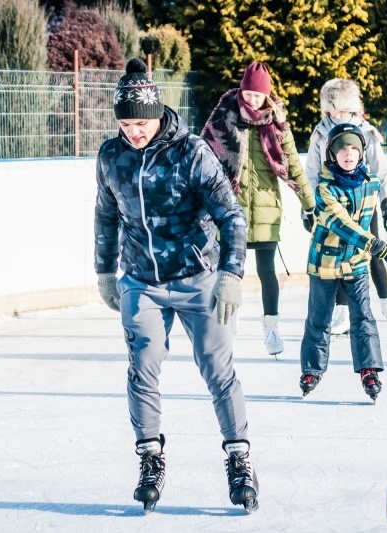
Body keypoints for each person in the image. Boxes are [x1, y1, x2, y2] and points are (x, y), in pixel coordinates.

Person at [95, 58, 259, 514]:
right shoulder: (111, 156)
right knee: (142, 365)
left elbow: (231, 216)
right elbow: (106, 216)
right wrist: (105, 271)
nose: (135, 132)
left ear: (158, 112)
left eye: (142, 122)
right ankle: (150, 457)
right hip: (141, 281)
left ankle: (239, 457)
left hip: (197, 279)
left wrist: (230, 274)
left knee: (216, 367)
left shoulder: (191, 152)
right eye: (126, 123)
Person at [202, 62, 315, 357]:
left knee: (267, 271)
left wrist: (309, 206)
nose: (252, 101)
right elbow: (202, 160)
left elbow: (293, 165)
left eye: (258, 96)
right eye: (248, 93)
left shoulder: (277, 123)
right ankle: (229, 324)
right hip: (230, 208)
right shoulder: (224, 116)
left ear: (267, 96)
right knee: (229, 271)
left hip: (266, 207)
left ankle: (271, 328)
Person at [299, 124, 387, 401]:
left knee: (363, 318)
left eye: (354, 149)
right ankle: (312, 370)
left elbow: (367, 221)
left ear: (361, 154)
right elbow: (342, 225)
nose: (348, 154)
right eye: (342, 149)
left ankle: (369, 370)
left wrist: (386, 211)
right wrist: (380, 248)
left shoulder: (371, 184)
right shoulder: (324, 189)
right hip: (325, 263)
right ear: (332, 154)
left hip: (356, 263)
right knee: (319, 320)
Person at [305, 78, 387, 335]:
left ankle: (386, 300)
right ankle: (342, 312)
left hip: (364, 202)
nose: (340, 116)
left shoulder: (366, 131)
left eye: (345, 111)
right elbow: (312, 172)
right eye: (335, 110)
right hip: (334, 202)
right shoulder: (320, 133)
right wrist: (310, 207)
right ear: (327, 109)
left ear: (354, 109)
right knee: (337, 254)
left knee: (373, 249)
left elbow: (380, 168)